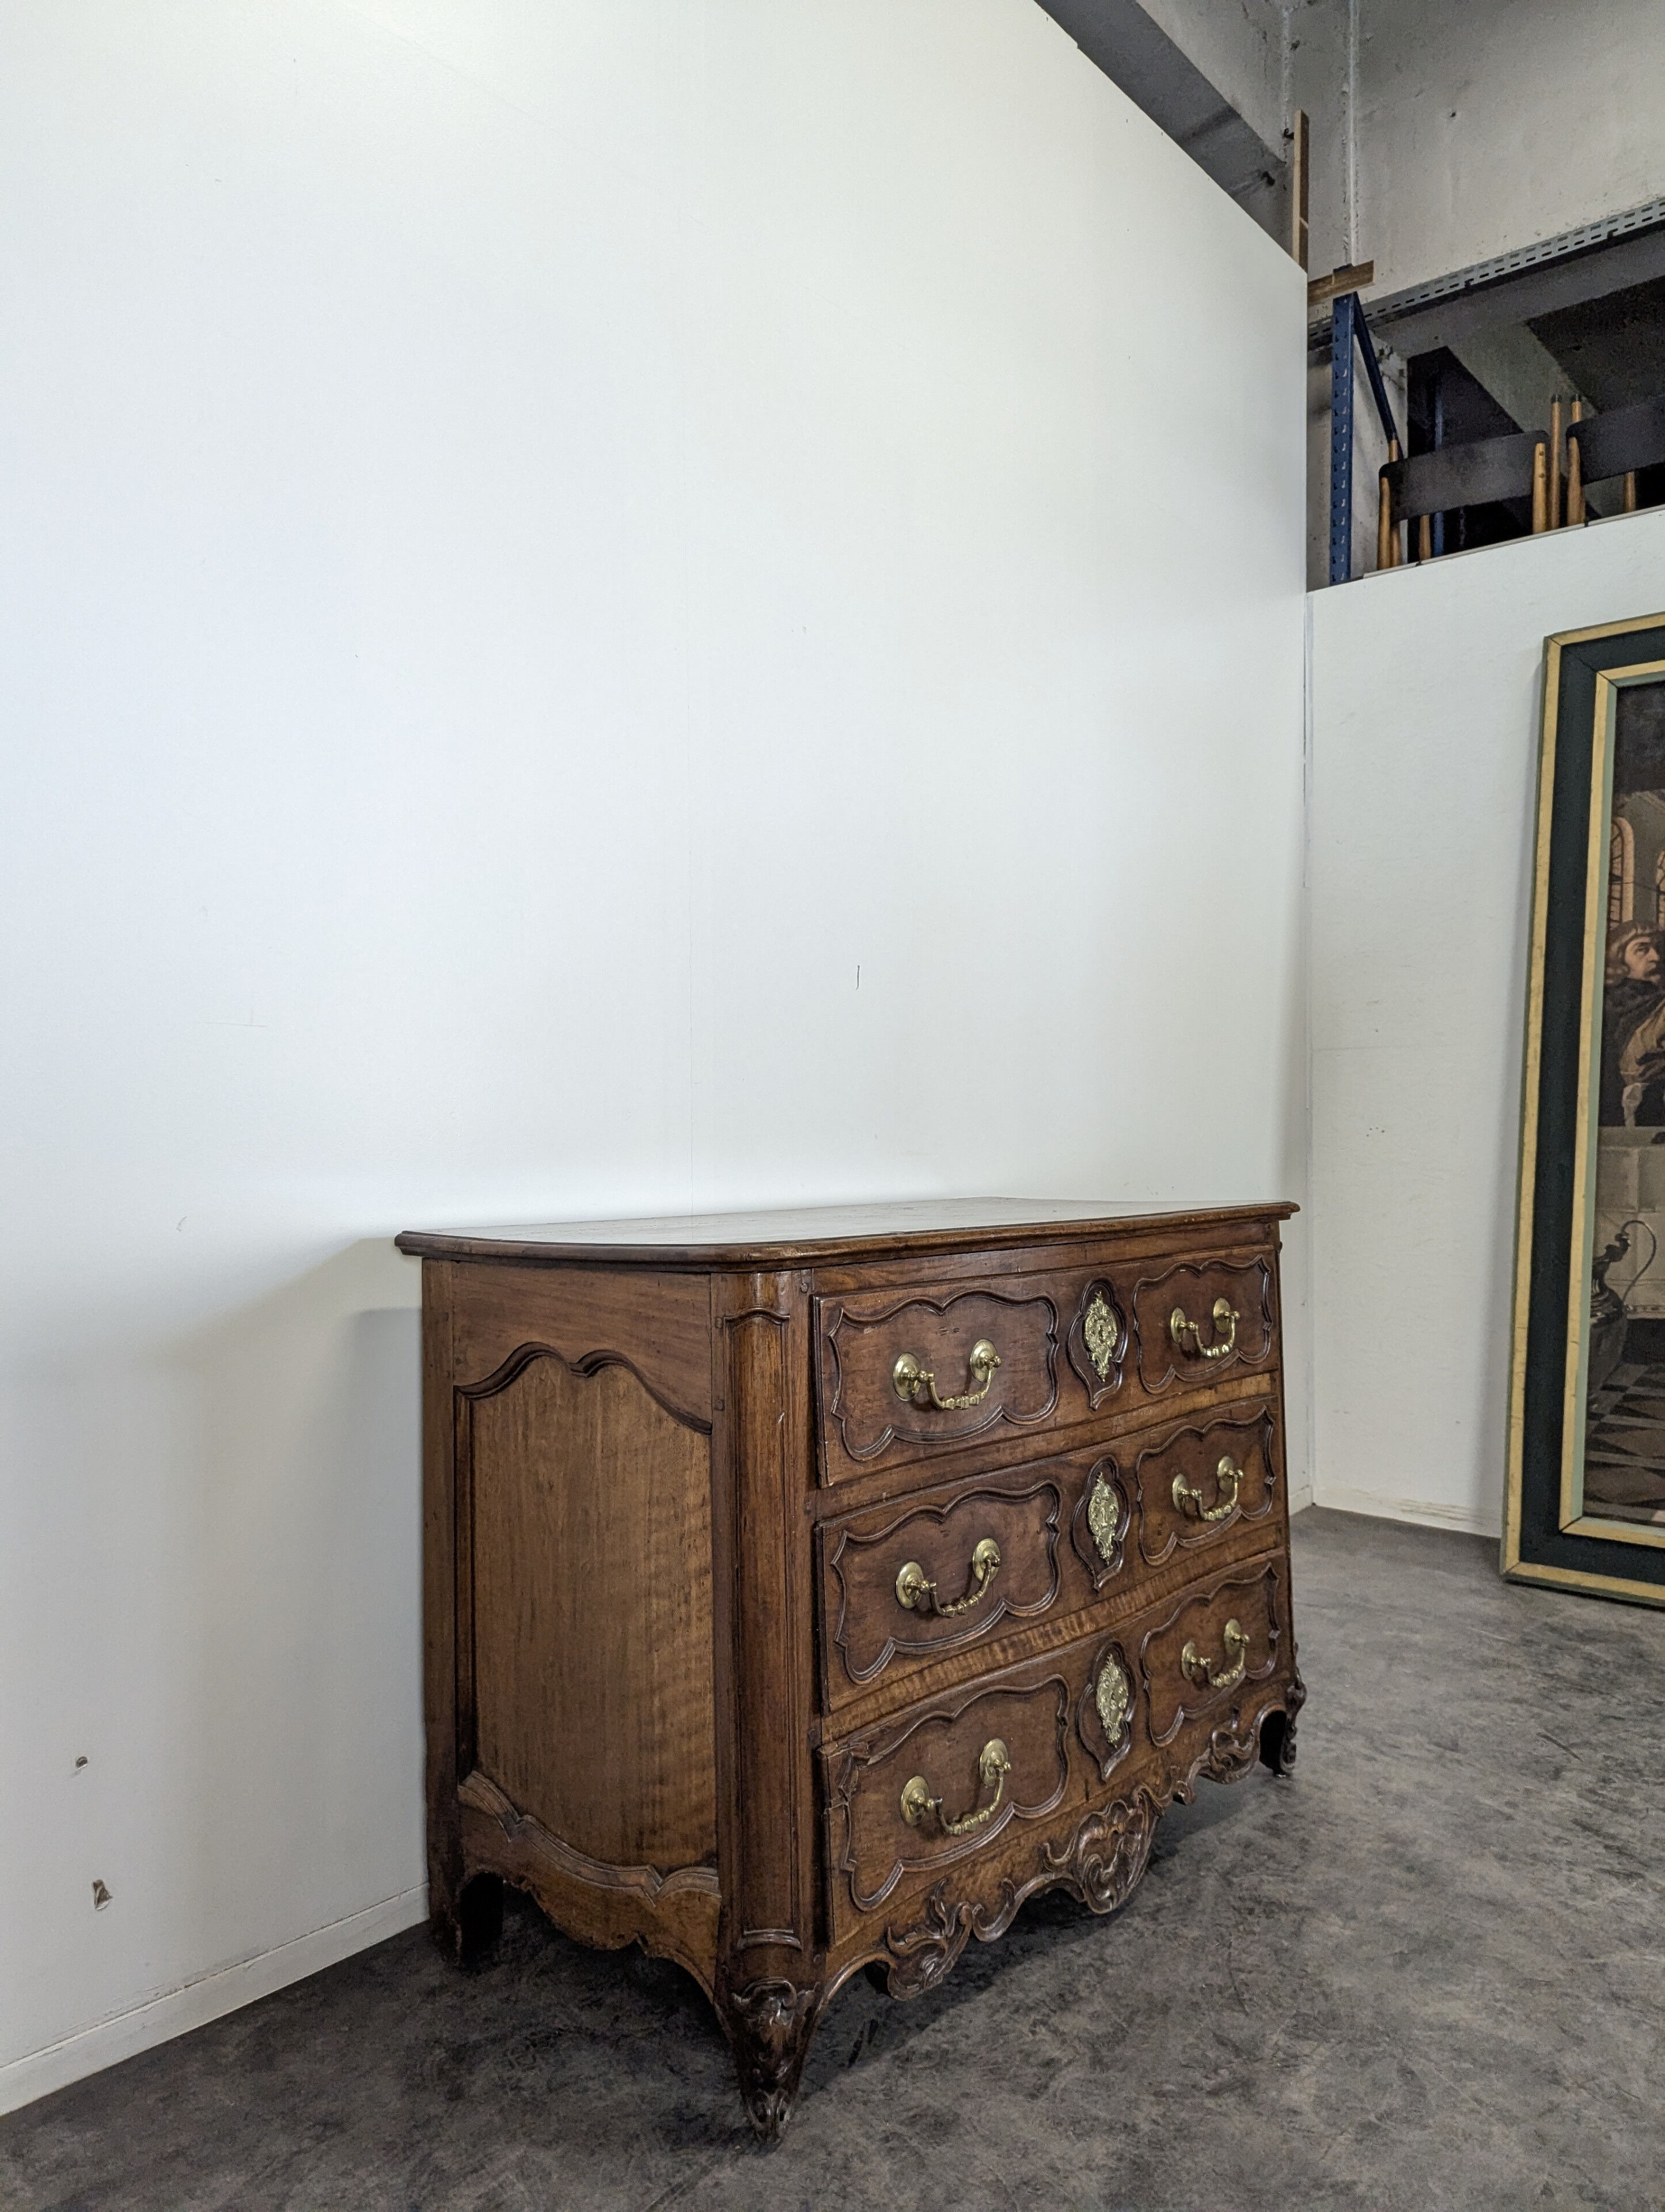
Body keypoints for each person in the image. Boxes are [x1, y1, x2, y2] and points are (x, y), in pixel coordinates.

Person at [1602, 923, 1665, 1124]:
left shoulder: (1660, 1004)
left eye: (1659, 949)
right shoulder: (1604, 1007)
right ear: (1618, 957)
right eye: (1642, 949)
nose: (1656, 957)